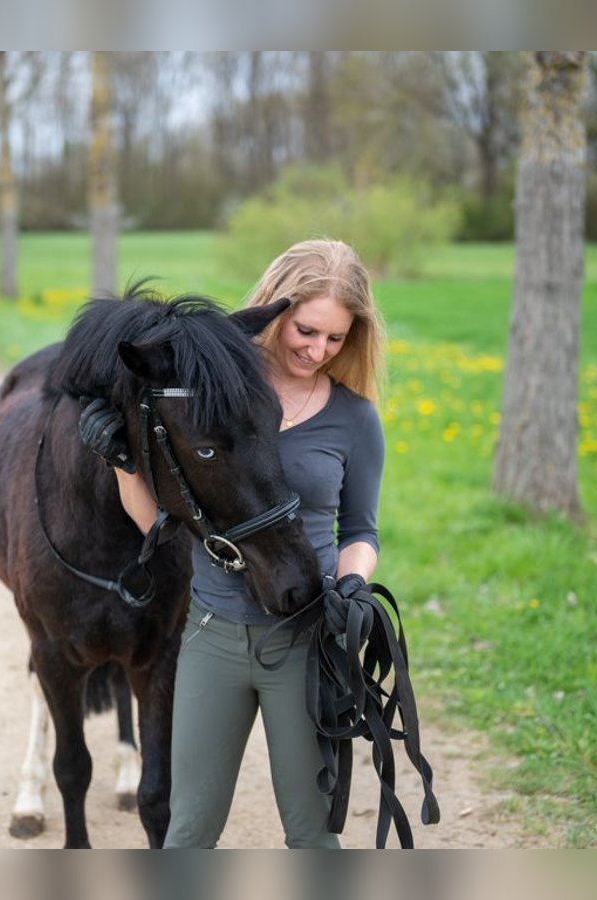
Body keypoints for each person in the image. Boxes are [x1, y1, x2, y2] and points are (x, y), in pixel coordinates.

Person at [79, 239, 387, 848]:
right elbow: (156, 526)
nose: (316, 349)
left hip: (307, 639)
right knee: (187, 830)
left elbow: (360, 531)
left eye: (335, 339)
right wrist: (119, 462)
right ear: (275, 310)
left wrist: (353, 587)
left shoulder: (354, 419)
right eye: (305, 329)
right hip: (211, 634)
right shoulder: (211, 392)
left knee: (311, 833)